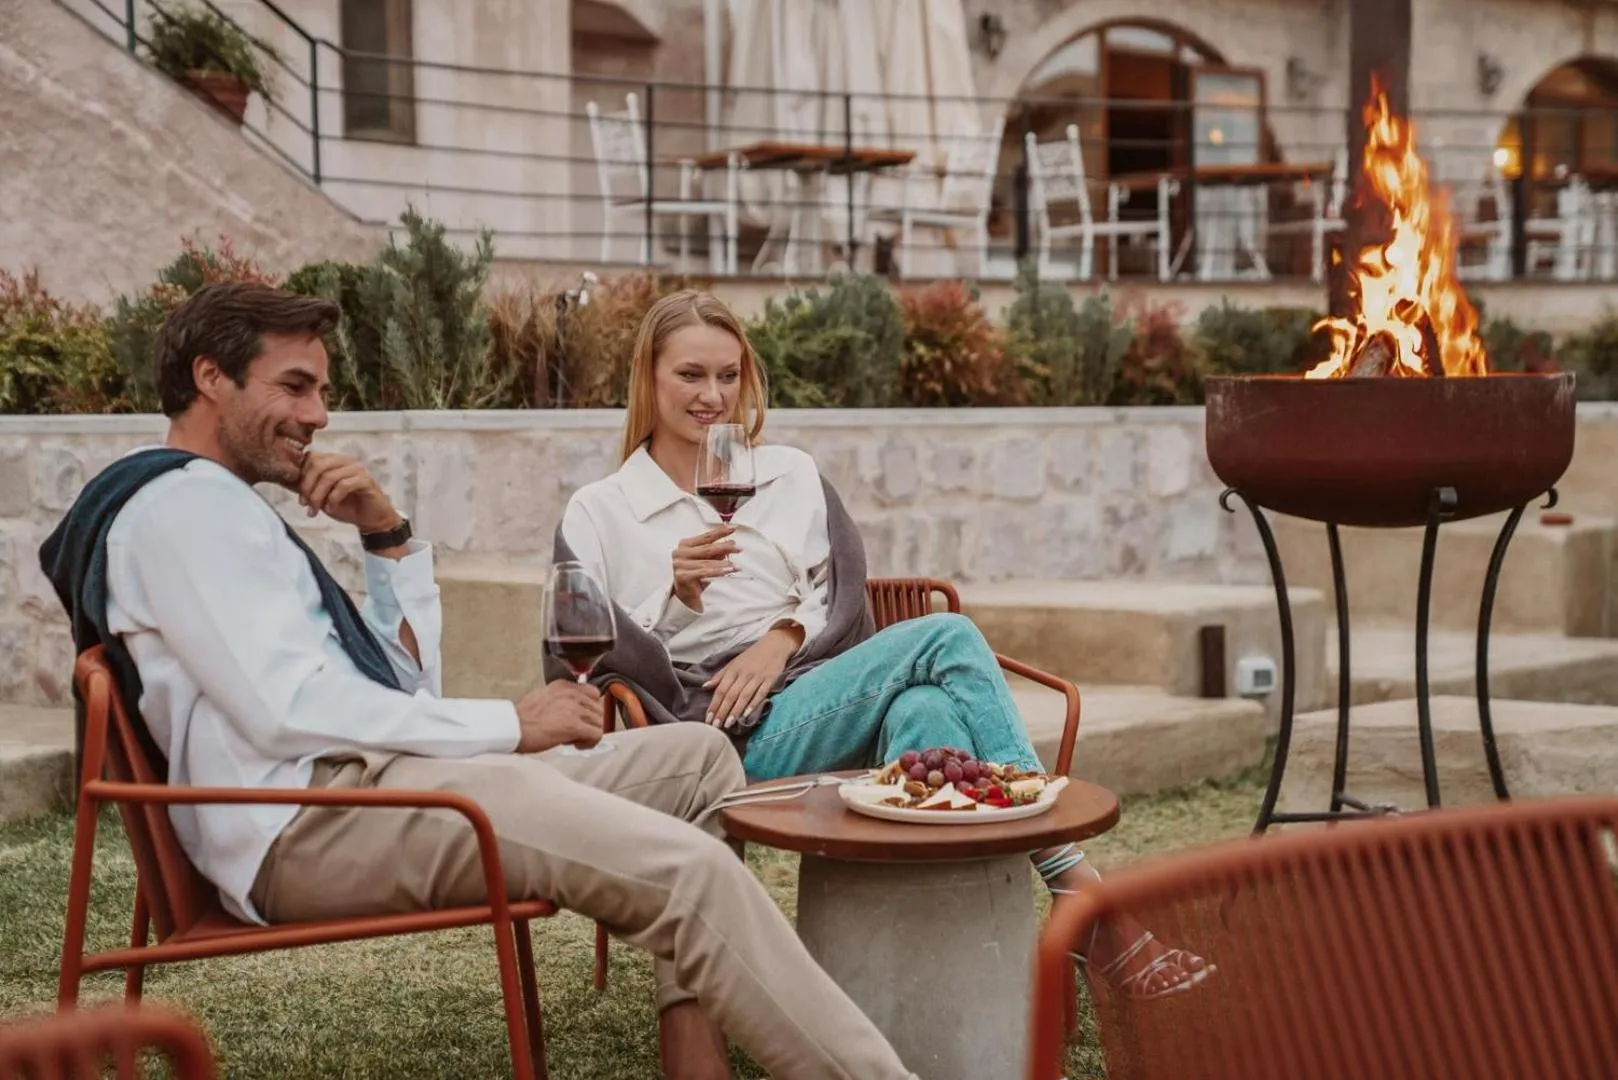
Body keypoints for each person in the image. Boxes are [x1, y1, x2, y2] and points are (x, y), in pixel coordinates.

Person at [38, 282, 921, 1080]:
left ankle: (690, 1046)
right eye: (295, 386)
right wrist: (512, 724)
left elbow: (403, 691)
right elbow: (288, 711)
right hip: (315, 822)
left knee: (693, 758)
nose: (320, 415)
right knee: (690, 873)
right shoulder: (183, 508)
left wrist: (386, 540)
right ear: (209, 378)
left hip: (377, 783)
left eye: (321, 389)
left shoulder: (217, 505)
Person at [558, 290, 1212, 1001]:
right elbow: (578, 659)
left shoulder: (787, 474)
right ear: (647, 378)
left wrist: (782, 637)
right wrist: (670, 596)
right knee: (948, 636)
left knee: (927, 713)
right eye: (690, 375)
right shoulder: (601, 510)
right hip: (717, 739)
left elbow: (841, 597)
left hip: (816, 696)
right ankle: (1075, 885)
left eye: (729, 374)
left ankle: (934, 987)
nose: (713, 396)